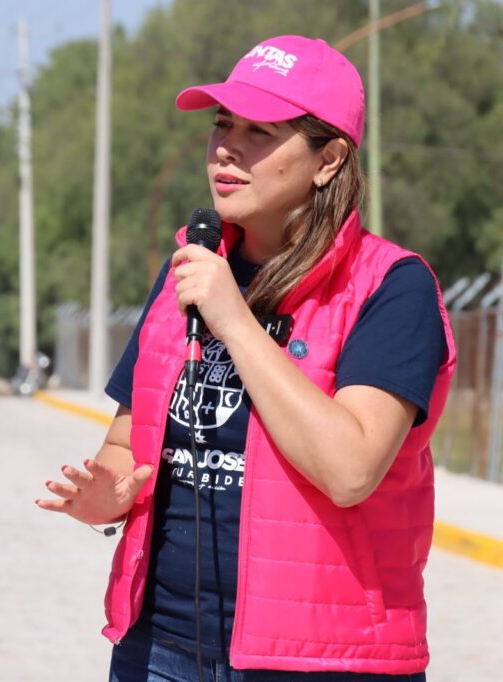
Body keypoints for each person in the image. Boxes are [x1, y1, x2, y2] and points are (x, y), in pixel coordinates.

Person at [37, 35, 454, 681]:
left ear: (329, 158)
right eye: (222, 125)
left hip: (324, 661)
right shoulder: (192, 270)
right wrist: (104, 495)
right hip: (161, 646)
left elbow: (350, 470)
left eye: (260, 131)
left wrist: (235, 321)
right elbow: (129, 440)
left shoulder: (392, 287)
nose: (226, 148)